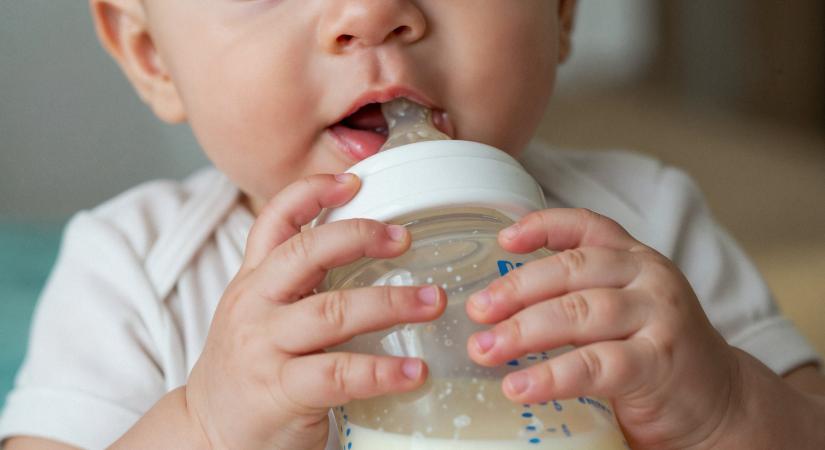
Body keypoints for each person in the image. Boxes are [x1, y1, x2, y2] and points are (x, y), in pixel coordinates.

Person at [2, 1, 824, 449]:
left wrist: (722, 410)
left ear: (563, 10)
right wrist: (207, 427)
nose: (370, 15)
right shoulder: (133, 269)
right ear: (151, 54)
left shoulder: (641, 228)